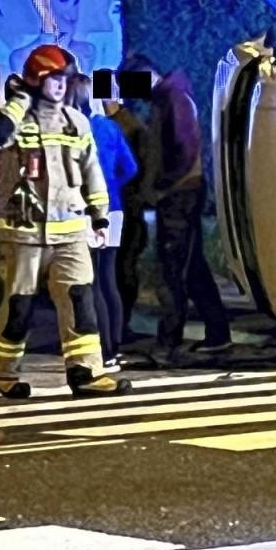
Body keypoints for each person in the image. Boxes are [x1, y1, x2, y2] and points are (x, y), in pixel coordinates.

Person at [0, 45, 131, 400]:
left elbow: (92, 172)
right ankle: (4, 373)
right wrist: (19, 101)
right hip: (25, 233)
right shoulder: (17, 120)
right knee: (19, 305)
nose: (61, 86)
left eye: (64, 79)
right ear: (36, 81)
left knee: (80, 300)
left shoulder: (76, 122)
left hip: (70, 231)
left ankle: (86, 372)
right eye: (53, 80)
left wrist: (99, 215)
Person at [148, 57, 231, 361]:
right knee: (192, 267)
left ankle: (168, 342)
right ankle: (217, 332)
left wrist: (163, 182)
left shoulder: (172, 98)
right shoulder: (174, 95)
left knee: (172, 270)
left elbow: (184, 146)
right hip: (184, 191)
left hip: (178, 194)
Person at [68, 69, 139, 371]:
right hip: (115, 209)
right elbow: (131, 168)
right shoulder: (109, 128)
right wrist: (112, 188)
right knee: (109, 277)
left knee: (92, 280)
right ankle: (117, 344)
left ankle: (104, 350)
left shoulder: (74, 130)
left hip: (87, 211)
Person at [110, 59, 155, 343]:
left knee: (120, 268)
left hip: (125, 207)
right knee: (119, 268)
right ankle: (119, 325)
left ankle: (119, 325)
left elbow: (135, 168)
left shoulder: (123, 127)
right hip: (127, 206)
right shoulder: (128, 124)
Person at [9, 0, 98, 72]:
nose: (73, 12)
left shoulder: (87, 53)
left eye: (76, 2)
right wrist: (50, 35)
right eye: (64, 0)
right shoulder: (21, 57)